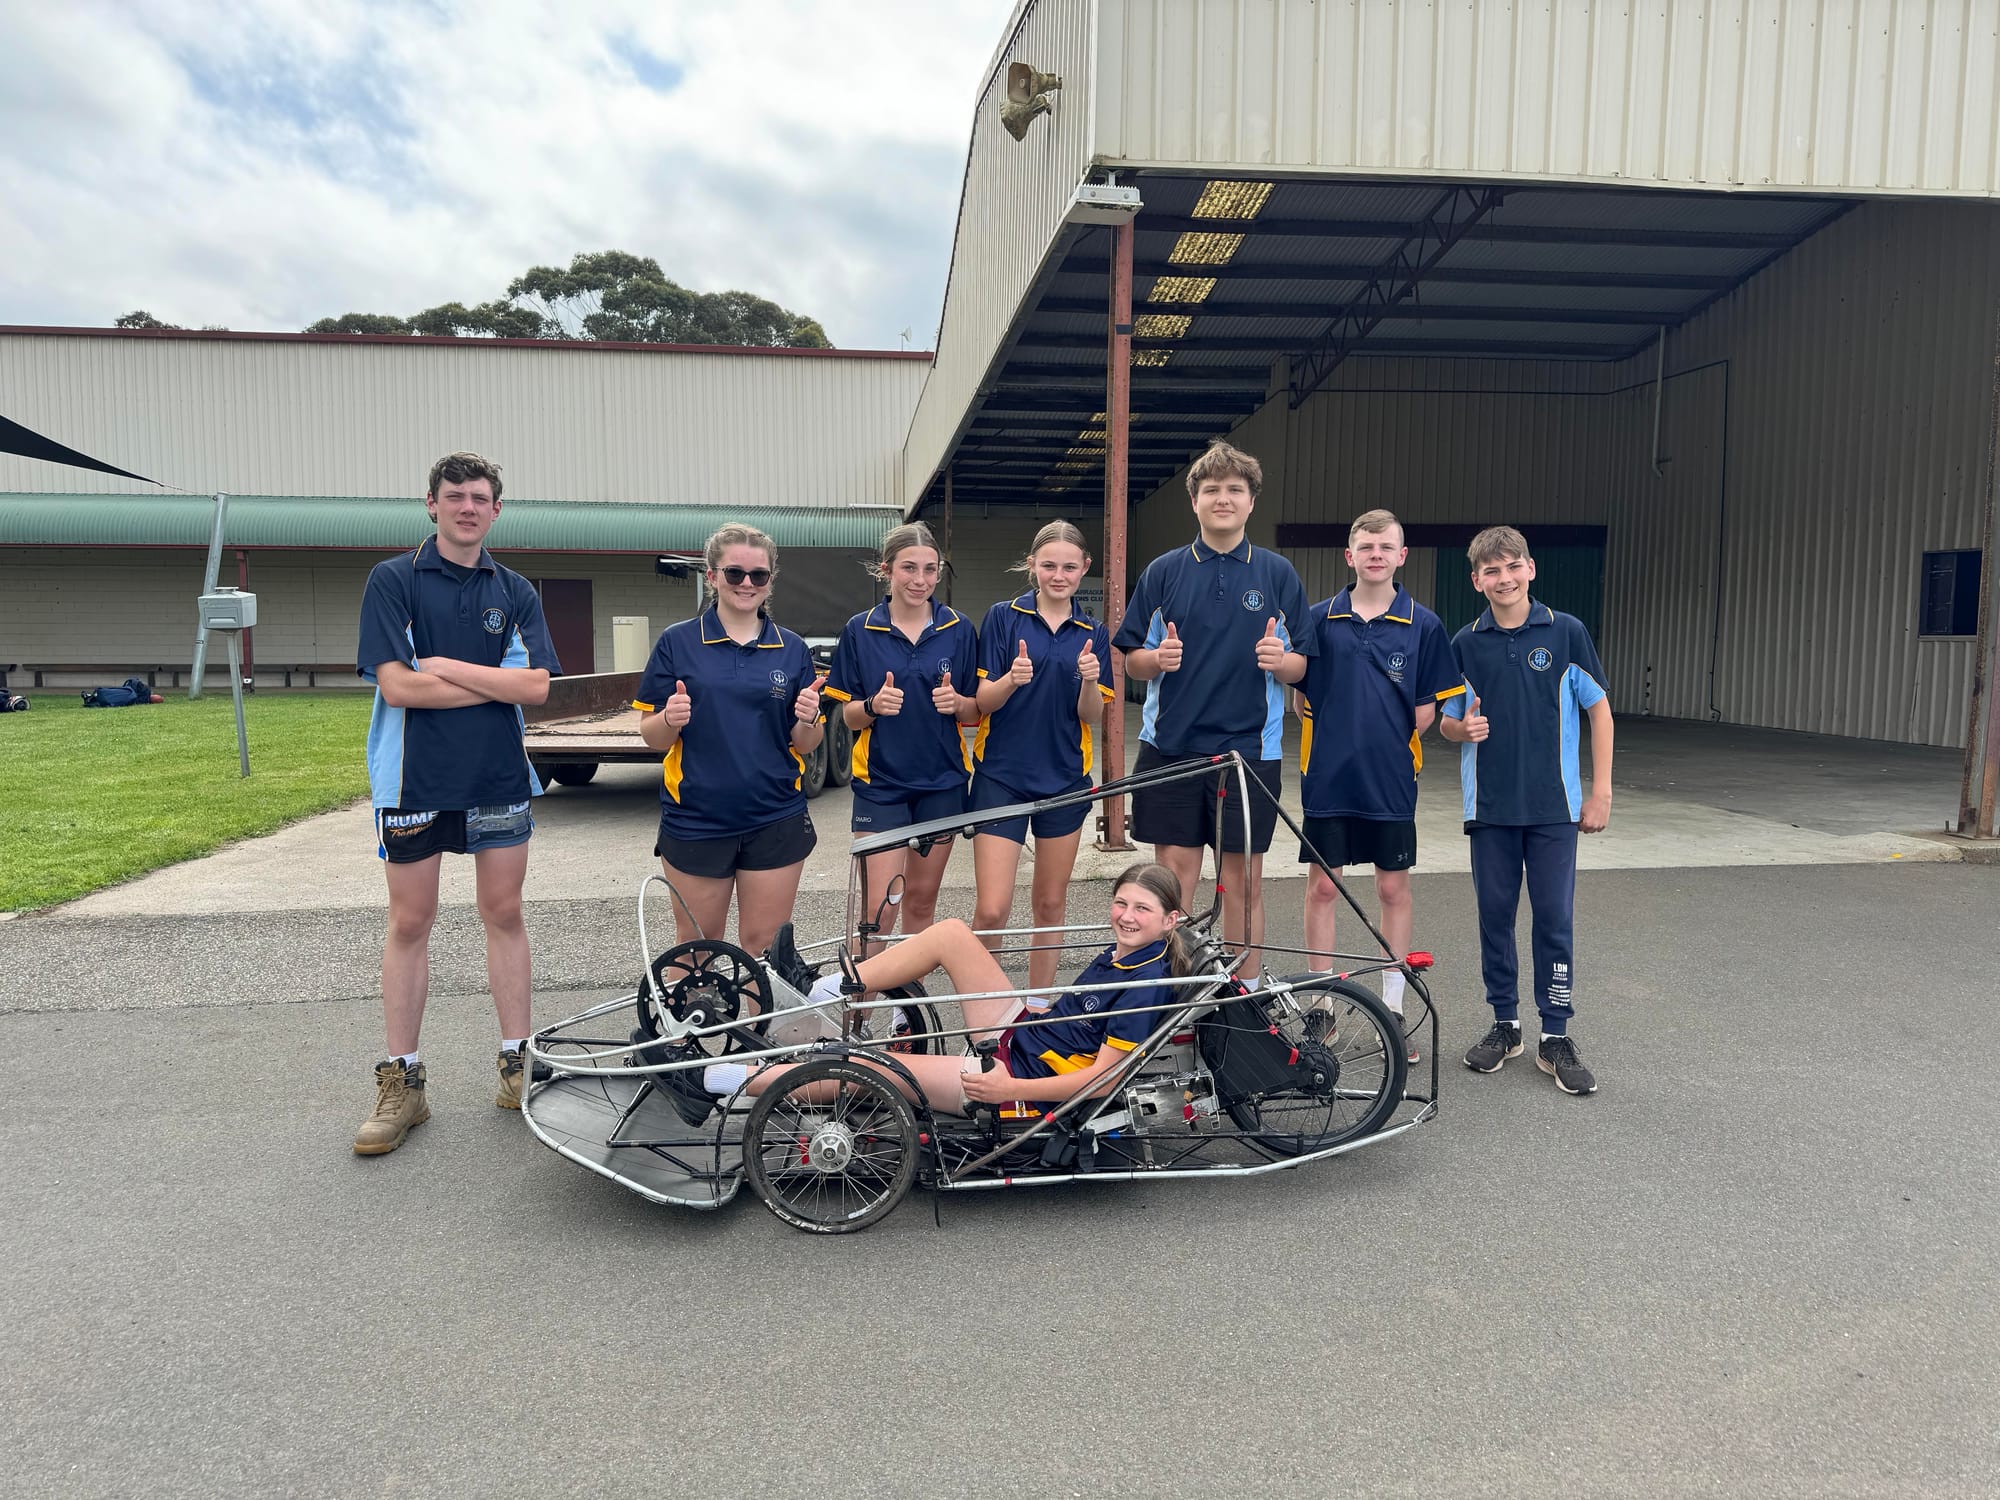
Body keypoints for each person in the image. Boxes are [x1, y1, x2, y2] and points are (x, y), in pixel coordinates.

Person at [352, 452, 561, 1155]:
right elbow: (399, 688)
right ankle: (402, 1082)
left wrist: (441, 664)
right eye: (455, 496)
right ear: (432, 505)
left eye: (480, 497)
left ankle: (515, 1062)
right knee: (411, 920)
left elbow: (536, 688)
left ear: (496, 510)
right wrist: (487, 679)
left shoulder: (515, 589)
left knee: (504, 912)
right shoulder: (394, 580)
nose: (468, 507)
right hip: (413, 780)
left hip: (498, 777)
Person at [661, 863, 1197, 1125]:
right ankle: (826, 989)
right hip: (1021, 1039)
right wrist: (1032, 1013)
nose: (1126, 916)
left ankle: (707, 1081)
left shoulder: (1145, 984)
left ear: (1171, 920)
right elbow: (1073, 1020)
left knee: (866, 1066)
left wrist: (1003, 1085)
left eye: (1141, 910)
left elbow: (1102, 1079)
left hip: (1021, 1087)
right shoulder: (1127, 952)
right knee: (951, 934)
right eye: (1121, 903)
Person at [1111, 440, 1315, 984]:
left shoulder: (1277, 575)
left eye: (1234, 490)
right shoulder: (1163, 572)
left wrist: (1283, 661)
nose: (1222, 499)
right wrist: (1155, 659)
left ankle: (1244, 997)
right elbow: (1131, 660)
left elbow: (1303, 667)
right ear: (1194, 502)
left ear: (1251, 503)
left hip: (1248, 755)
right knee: (1172, 885)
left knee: (1244, 883)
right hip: (1172, 750)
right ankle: (1174, 998)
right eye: (1211, 491)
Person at [1438, 526, 1614, 1095]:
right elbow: (1446, 721)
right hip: (1489, 807)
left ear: (1531, 569)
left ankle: (1555, 1033)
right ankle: (1505, 1024)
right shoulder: (1464, 643)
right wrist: (1459, 728)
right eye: (1491, 571)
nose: (1504, 578)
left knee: (1554, 920)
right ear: (1476, 580)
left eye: (1512, 566)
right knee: (1495, 915)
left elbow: (1600, 711)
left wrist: (1602, 790)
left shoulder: (1566, 633)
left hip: (1554, 810)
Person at [1295, 509, 1463, 1061]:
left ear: (1401, 555)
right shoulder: (1318, 619)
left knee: (1392, 890)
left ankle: (1392, 1005)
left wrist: (1379, 742)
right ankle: (1321, 1009)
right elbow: (1303, 699)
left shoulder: (1425, 624)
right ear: (1349, 555)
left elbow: (1423, 714)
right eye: (1365, 546)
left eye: (1385, 547)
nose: (1375, 554)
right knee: (1324, 888)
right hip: (1327, 780)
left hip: (1390, 782)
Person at [633, 523, 826, 965]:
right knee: (697, 946)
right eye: (734, 573)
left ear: (770, 581)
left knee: (763, 949)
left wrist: (809, 718)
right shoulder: (677, 642)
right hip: (698, 818)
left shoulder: (791, 648)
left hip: (775, 815)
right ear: (711, 575)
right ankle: (687, 1035)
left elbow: (805, 741)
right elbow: (652, 737)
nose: (746, 584)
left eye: (758, 575)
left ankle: (757, 1034)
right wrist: (669, 718)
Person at [968, 521, 1114, 998]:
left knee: (1050, 903)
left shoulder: (1093, 631)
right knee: (992, 909)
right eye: (1048, 565)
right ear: (1032, 566)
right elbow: (982, 702)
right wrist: (1011, 678)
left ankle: (1035, 1007)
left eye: (1069, 567)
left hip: (1065, 781)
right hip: (1001, 779)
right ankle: (984, 1011)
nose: (1058, 574)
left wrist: (1090, 680)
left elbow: (1092, 715)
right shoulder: (1002, 618)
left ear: (1084, 570)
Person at [821, 523, 981, 944]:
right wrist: (873, 705)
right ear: (885, 569)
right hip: (882, 787)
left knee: (921, 904)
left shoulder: (959, 629)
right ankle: (860, 1010)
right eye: (909, 568)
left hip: (942, 784)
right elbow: (849, 717)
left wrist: (958, 704)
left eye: (931, 570)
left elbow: (975, 710)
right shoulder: (860, 629)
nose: (920, 580)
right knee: (877, 913)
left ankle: (904, 1008)